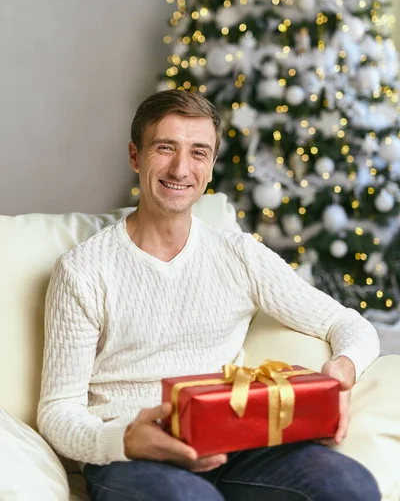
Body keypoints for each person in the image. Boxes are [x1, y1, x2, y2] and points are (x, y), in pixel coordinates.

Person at [38, 90, 381, 501]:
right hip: (136, 454)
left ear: (212, 166)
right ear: (135, 156)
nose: (181, 168)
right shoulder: (82, 271)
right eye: (165, 148)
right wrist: (124, 441)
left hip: (236, 440)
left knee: (350, 486)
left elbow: (348, 323)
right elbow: (57, 411)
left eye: (198, 152)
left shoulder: (240, 255)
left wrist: (340, 372)